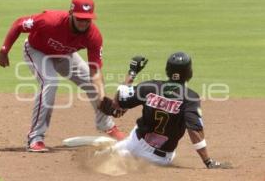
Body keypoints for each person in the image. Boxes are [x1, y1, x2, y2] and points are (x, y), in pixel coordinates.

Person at [0, 0, 125, 152]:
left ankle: (107, 126)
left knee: (92, 84)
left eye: (87, 19)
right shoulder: (49, 20)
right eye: (80, 18)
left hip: (64, 55)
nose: (84, 23)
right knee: (50, 82)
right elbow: (18, 24)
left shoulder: (93, 36)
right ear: (71, 14)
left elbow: (95, 71)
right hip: (37, 51)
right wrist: (4, 50)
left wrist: (102, 98)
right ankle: (35, 138)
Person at [99, 53, 232, 168]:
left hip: (134, 144)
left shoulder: (149, 87)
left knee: (98, 158)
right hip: (161, 159)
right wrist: (208, 161)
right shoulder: (190, 98)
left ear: (167, 70)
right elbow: (194, 131)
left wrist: (133, 71)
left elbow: (120, 100)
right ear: (189, 73)